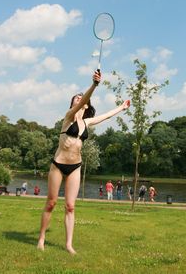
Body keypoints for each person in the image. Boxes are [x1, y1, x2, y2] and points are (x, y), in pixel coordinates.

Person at [37, 71, 130, 254]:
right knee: (51, 203)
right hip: (58, 164)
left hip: (75, 166)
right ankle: (41, 238)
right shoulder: (68, 117)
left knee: (70, 206)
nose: (78, 99)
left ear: (86, 104)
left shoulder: (86, 123)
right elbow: (82, 101)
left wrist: (121, 107)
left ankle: (69, 244)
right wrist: (94, 85)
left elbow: (106, 116)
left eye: (81, 98)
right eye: (76, 98)